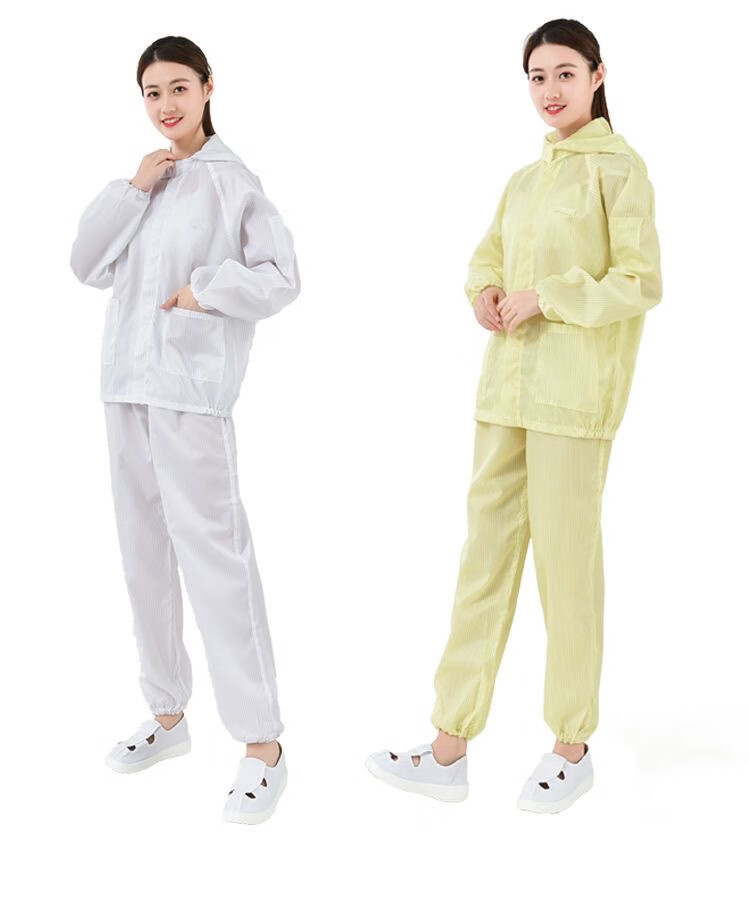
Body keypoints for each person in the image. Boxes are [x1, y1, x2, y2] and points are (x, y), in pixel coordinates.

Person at [365, 18, 662, 814]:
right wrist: (486, 293)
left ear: (597, 75)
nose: (549, 89)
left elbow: (639, 280)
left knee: (567, 571)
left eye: (564, 72)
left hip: (573, 398)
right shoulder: (524, 181)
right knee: (482, 564)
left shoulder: (618, 170)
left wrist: (547, 297)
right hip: (504, 393)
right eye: (536, 76)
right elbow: (486, 257)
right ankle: (447, 746)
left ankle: (571, 747)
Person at [69, 35, 301, 825]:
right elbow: (86, 264)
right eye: (151, 92)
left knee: (216, 559)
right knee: (142, 553)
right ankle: (167, 713)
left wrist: (205, 291)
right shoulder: (147, 180)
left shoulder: (233, 182)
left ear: (207, 88)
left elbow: (282, 276)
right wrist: (133, 189)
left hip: (191, 394)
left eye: (177, 87)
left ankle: (262, 744)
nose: (165, 104)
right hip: (124, 389)